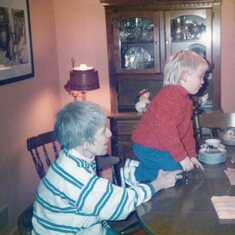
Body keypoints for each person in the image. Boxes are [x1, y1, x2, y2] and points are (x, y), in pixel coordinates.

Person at [32, 101, 182, 235]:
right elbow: (121, 205)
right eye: (103, 131)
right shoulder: (77, 177)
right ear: (85, 142)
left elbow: (102, 196)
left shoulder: (71, 156)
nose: (110, 134)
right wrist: (160, 183)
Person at [131, 50, 207, 184]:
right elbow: (166, 130)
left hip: (161, 145)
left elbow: (187, 132)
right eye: (200, 77)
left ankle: (140, 174)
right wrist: (182, 157)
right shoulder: (170, 96)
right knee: (175, 170)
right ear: (185, 76)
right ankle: (136, 178)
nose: (203, 81)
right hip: (149, 147)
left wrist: (191, 155)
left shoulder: (185, 100)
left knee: (174, 168)